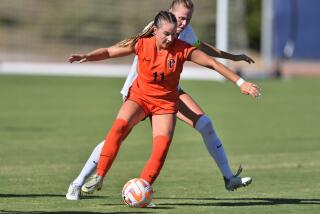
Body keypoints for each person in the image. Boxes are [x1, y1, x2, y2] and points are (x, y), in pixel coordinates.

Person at [66, 0, 257, 201]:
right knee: (116, 135)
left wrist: (233, 59)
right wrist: (88, 56)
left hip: (168, 94)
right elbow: (115, 49)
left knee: (203, 125)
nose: (183, 24)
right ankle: (80, 182)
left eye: (187, 19)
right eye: (181, 18)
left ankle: (228, 178)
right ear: (168, 15)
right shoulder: (152, 32)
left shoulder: (183, 35)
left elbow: (204, 51)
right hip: (139, 90)